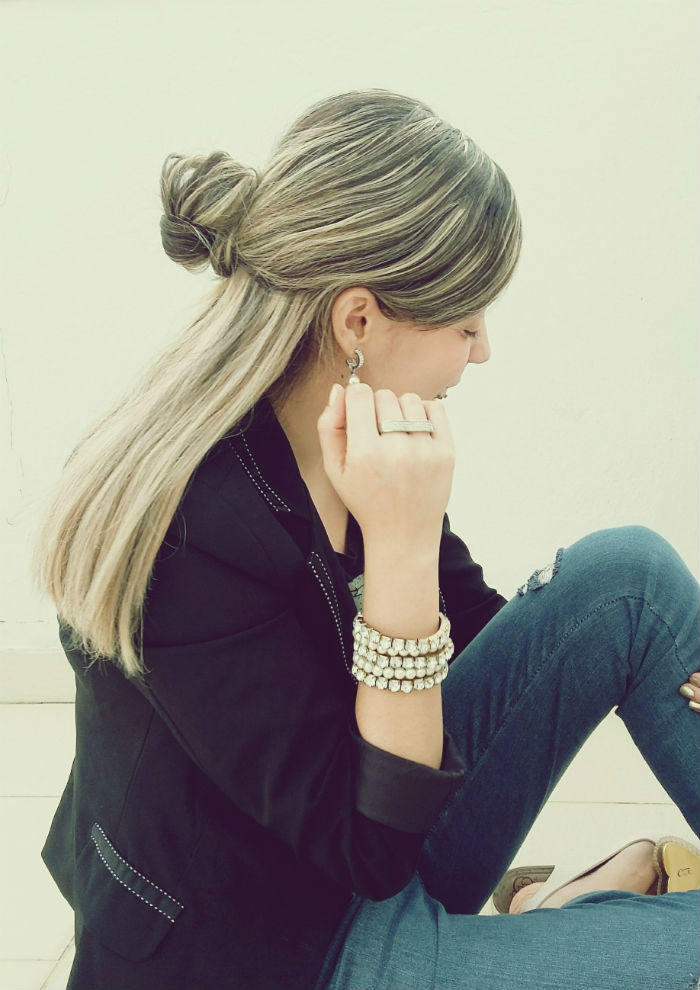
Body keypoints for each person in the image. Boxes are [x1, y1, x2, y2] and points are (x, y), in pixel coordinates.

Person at [32, 88, 699, 990]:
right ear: (357, 321)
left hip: (371, 823)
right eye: (466, 323)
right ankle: (563, 916)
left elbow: (487, 640)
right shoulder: (189, 532)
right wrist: (401, 544)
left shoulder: (347, 431)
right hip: (280, 950)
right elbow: (370, 852)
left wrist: (660, 664)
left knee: (630, 579)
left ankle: (552, 922)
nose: (483, 350)